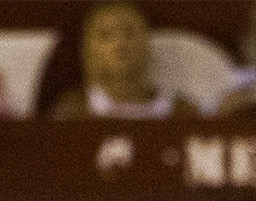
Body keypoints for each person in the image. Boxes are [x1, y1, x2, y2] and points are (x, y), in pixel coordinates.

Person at [49, 2, 193, 119]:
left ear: (146, 41)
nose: (119, 44)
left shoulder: (181, 112)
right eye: (105, 36)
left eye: (129, 32)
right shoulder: (73, 111)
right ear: (89, 49)